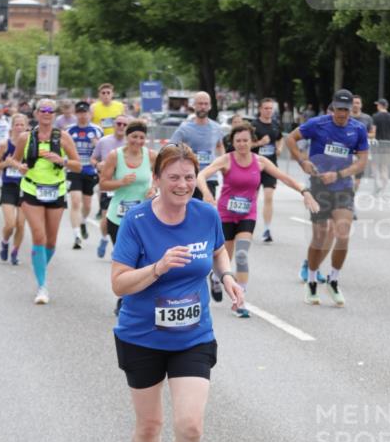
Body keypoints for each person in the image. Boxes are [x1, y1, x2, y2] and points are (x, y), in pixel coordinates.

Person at [111, 142, 244, 442]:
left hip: (192, 335)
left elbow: (219, 253)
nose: (183, 185)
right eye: (174, 177)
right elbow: (118, 283)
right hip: (142, 337)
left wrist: (228, 277)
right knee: (150, 425)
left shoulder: (205, 214)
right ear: (157, 180)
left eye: (189, 177)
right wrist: (158, 267)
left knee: (190, 427)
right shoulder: (137, 222)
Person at [198, 122, 318, 318]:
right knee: (223, 261)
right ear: (233, 142)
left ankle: (240, 300)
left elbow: (284, 177)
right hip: (225, 215)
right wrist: (206, 194)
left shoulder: (260, 162)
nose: (242, 144)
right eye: (238, 141)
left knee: (242, 255)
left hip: (247, 214)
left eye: (246, 140)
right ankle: (215, 277)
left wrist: (304, 191)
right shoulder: (226, 160)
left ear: (252, 141)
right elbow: (201, 175)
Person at [285, 88, 369, 307]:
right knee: (320, 237)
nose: (343, 114)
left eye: (347, 110)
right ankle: (312, 280)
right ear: (332, 107)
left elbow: (362, 162)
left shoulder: (358, 129)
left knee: (342, 234)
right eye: (339, 109)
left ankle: (333, 279)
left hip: (343, 187)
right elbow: (291, 140)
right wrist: (302, 161)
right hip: (319, 187)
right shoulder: (318, 124)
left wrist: (340, 174)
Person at [11, 99, 81, 304]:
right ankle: (42, 286)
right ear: (36, 113)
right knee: (39, 237)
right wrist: (19, 167)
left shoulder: (63, 137)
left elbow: (77, 166)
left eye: (51, 110)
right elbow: (13, 159)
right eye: (43, 110)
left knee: (51, 241)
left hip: (56, 191)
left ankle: (38, 266)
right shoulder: (26, 137)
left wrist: (62, 161)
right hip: (31, 189)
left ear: (55, 114)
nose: (47, 113)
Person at [170, 91, 226, 301]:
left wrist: (223, 165)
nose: (202, 106)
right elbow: (171, 148)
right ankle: (192, 264)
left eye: (206, 103)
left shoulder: (216, 127)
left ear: (210, 106)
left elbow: (220, 146)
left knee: (206, 222)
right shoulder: (185, 128)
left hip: (209, 180)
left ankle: (211, 271)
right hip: (188, 181)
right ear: (193, 106)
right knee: (189, 221)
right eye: (199, 103)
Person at [100, 119, 157, 314]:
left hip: (143, 216)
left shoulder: (151, 156)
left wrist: (153, 189)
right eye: (134, 136)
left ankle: (132, 298)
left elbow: (161, 177)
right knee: (125, 260)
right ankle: (123, 298)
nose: (138, 141)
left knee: (144, 257)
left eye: (142, 137)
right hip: (118, 216)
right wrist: (121, 182)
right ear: (127, 136)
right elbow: (103, 184)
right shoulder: (115, 156)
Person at [66, 101, 104, 249]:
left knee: (87, 205)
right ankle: (76, 236)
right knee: (75, 201)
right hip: (74, 169)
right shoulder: (69, 131)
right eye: (80, 113)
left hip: (90, 170)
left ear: (90, 114)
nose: (82, 116)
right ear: (76, 114)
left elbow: (102, 151)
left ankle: (83, 221)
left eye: (85, 113)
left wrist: (96, 144)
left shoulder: (97, 130)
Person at [92, 114, 129, 258]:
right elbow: (93, 158)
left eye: (124, 125)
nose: (121, 127)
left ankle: (117, 247)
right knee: (106, 216)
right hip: (108, 185)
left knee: (124, 218)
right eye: (118, 123)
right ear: (114, 125)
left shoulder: (131, 143)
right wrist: (97, 164)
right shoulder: (104, 141)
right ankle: (104, 238)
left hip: (126, 186)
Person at [0, 113, 28, 264]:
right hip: (8, 186)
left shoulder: (31, 145)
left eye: (22, 125)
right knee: (10, 224)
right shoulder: (5, 145)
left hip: (26, 187)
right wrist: (6, 164)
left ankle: (15, 252)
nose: (19, 127)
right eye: (17, 124)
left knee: (20, 224)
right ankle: (5, 242)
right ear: (12, 127)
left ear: (26, 127)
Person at [252, 97, 283, 243]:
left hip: (271, 166)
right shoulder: (253, 126)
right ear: (260, 109)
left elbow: (280, 138)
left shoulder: (276, 125)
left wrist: (280, 147)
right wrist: (259, 143)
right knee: (252, 199)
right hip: (255, 167)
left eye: (271, 108)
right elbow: (245, 145)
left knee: (269, 197)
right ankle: (247, 226)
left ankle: (267, 229)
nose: (269, 111)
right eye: (266, 108)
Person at [350, 94, 375, 197]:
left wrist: (361, 134)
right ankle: (347, 197)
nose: (355, 105)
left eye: (357, 103)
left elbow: (373, 134)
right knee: (349, 175)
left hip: (361, 152)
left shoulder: (367, 118)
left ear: (361, 105)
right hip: (348, 151)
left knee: (357, 180)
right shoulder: (346, 117)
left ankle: (352, 196)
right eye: (353, 103)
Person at [371, 98, 390, 192]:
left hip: (377, 145)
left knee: (374, 165)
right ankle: (384, 187)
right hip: (388, 145)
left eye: (377, 105)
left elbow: (373, 132)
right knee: (384, 167)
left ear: (380, 106)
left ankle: (377, 183)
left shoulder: (375, 116)